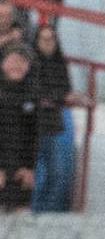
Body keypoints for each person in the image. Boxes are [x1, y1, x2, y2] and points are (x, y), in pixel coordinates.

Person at [27, 24, 76, 213]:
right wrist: (60, 97)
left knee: (57, 174)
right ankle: (31, 213)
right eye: (43, 39)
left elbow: (66, 89)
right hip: (32, 126)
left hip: (53, 125)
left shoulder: (59, 63)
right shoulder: (31, 63)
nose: (48, 44)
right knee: (34, 175)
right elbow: (35, 92)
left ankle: (47, 215)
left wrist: (61, 97)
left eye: (51, 40)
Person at [0, 44, 38, 212]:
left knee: (22, 215)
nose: (17, 65)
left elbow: (33, 135)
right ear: (3, 64)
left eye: (22, 61)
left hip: (22, 169)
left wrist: (29, 167)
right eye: (13, 60)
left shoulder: (32, 95)